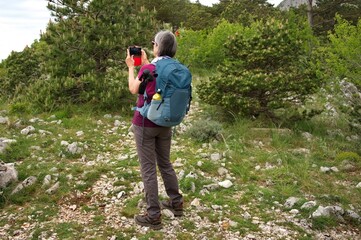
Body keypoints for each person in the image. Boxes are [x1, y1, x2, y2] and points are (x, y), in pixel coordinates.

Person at [125, 30, 184, 230]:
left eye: (154, 43)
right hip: (166, 123)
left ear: (157, 46)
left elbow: (134, 88)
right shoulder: (176, 68)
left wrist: (132, 67)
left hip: (145, 124)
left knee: (148, 168)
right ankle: (176, 203)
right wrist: (148, 63)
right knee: (165, 163)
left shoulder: (149, 68)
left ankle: (153, 215)